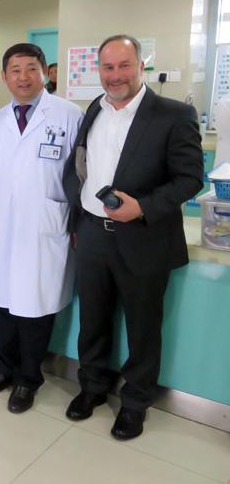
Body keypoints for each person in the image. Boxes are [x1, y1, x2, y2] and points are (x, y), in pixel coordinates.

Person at [62, 34, 203, 440]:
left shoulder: (174, 114)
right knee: (92, 319)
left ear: (141, 66)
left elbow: (190, 178)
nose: (116, 75)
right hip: (92, 234)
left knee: (142, 327)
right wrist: (78, 216)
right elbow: (83, 163)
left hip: (143, 237)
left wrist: (142, 206)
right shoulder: (95, 108)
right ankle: (92, 386)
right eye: (108, 67)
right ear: (99, 70)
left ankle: (136, 402)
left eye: (125, 65)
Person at [0, 43, 81, 413]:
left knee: (36, 304)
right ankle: (5, 367)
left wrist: (77, 222)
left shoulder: (68, 115)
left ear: (45, 72)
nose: (23, 77)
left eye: (31, 68)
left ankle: (28, 378)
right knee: (4, 302)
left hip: (44, 226)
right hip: (2, 227)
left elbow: (82, 175)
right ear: (4, 77)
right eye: (15, 70)